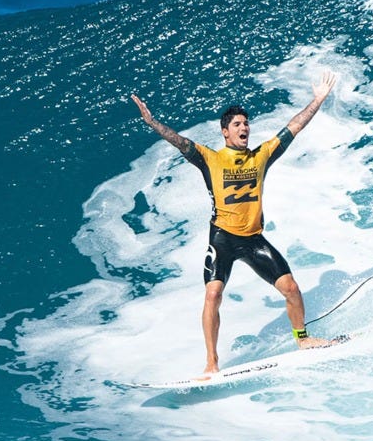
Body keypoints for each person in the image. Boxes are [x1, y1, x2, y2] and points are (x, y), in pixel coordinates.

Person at [131, 71, 339, 374]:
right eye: (237, 125)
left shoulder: (261, 156)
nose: (244, 128)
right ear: (225, 132)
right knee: (213, 294)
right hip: (223, 240)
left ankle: (302, 339)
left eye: (246, 123)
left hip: (253, 239)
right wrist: (152, 123)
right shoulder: (210, 159)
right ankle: (211, 362)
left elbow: (293, 126)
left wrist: (317, 100)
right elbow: (179, 141)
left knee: (291, 288)